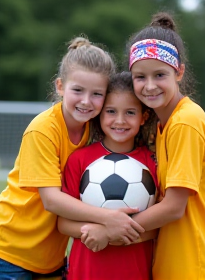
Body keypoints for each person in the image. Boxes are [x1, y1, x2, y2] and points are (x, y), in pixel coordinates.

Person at [81, 12, 205, 280]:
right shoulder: (164, 126)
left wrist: (110, 231)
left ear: (179, 72)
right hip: (174, 266)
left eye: (160, 75)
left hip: (196, 267)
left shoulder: (186, 122)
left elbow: (175, 207)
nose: (149, 86)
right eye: (140, 77)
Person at [0, 37, 145, 280]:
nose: (86, 101)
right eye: (77, 90)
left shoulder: (93, 129)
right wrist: (109, 219)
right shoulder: (43, 130)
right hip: (10, 247)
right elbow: (52, 201)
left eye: (97, 94)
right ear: (60, 86)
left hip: (50, 255)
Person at [57, 71, 159, 280]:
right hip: (86, 272)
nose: (120, 120)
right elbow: (63, 224)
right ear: (100, 114)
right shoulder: (79, 160)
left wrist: (109, 234)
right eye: (111, 111)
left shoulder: (153, 163)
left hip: (134, 272)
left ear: (144, 117)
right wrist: (95, 230)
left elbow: (160, 228)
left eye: (130, 112)